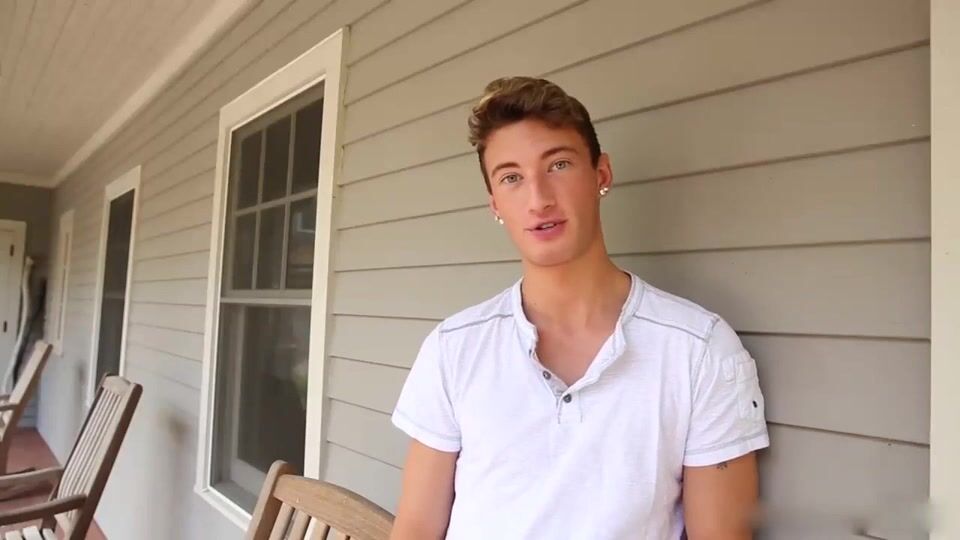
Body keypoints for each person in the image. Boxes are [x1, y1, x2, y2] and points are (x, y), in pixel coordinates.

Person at [388, 77, 769, 539]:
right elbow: (416, 527)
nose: (539, 199)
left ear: (600, 175)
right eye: (511, 177)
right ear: (495, 205)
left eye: (559, 164)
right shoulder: (454, 348)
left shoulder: (699, 350)